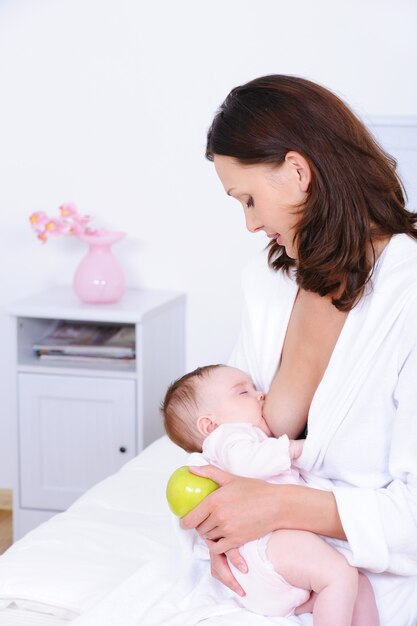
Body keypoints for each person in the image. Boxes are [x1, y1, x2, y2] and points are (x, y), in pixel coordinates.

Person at [179, 75, 417, 626]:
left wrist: (277, 506)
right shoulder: (268, 283)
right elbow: (228, 426)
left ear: (297, 171)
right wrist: (221, 529)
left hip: (370, 585)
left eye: (249, 199)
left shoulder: (407, 296)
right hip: (269, 567)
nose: (250, 223)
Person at [162, 362, 380, 625]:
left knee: (357, 585)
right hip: (265, 547)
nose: (260, 394)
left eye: (253, 388)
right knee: (341, 576)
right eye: (243, 393)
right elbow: (245, 462)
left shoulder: (242, 437)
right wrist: (290, 449)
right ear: (209, 425)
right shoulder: (227, 437)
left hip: (267, 567)